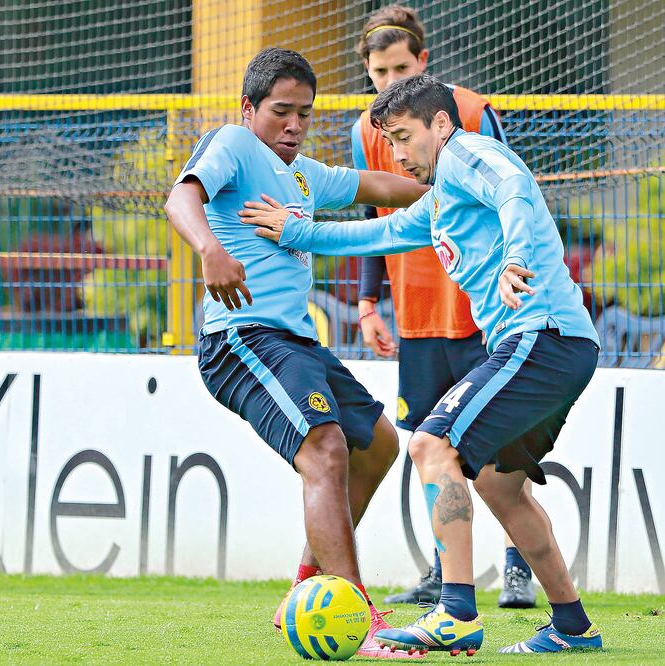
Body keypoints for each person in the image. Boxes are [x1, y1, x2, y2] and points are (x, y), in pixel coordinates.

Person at [240, 74, 603, 655]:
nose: (398, 155)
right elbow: (378, 233)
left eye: (405, 138)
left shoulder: (465, 153)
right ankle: (573, 627)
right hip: (555, 346)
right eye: (390, 143)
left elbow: (514, 185)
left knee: (431, 444)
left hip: (543, 337)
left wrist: (515, 256)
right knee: (499, 486)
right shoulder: (439, 203)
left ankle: (455, 613)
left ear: (439, 124)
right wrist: (295, 231)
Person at [164, 48, 430, 660]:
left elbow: (377, 185)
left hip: (297, 344)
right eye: (281, 111)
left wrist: (445, 182)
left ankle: (308, 587)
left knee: (378, 445)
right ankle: (358, 619)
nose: (293, 125)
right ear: (248, 108)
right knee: (325, 449)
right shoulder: (233, 143)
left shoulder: (304, 175)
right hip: (242, 338)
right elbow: (181, 199)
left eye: (304, 114)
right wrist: (209, 250)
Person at [351, 4, 535, 610]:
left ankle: (517, 567)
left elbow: (512, 190)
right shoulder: (365, 131)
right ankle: (443, 570)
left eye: (400, 68)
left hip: (483, 310)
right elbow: (375, 215)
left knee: (501, 445)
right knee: (430, 444)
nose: (388, 80)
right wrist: (368, 302)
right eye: (379, 71)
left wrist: (515, 273)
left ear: (423, 61)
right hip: (417, 314)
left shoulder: (472, 112)